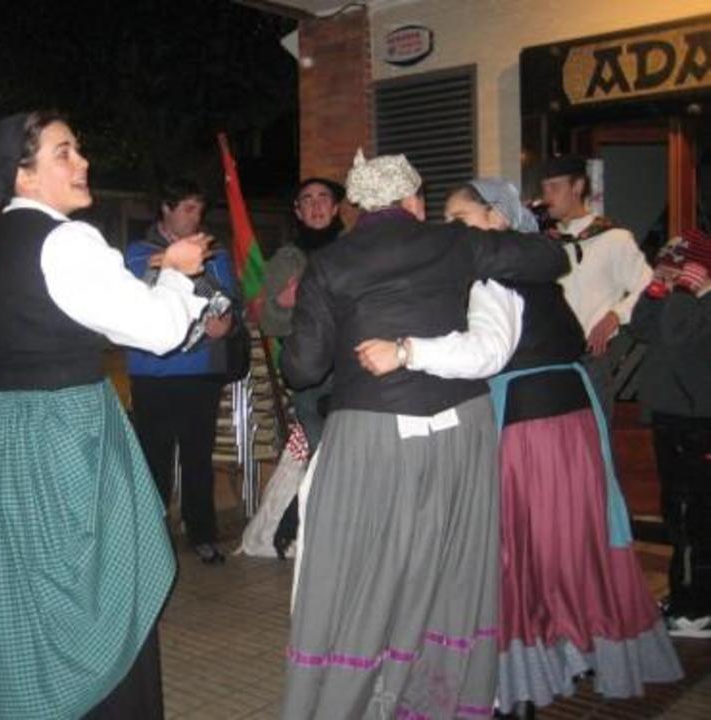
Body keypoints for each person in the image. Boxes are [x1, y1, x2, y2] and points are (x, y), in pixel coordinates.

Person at [0, 111, 210, 719]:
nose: (82, 162)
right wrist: (178, 274)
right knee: (90, 589)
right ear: (23, 174)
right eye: (64, 152)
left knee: (9, 589)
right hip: (62, 430)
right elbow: (159, 331)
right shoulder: (71, 240)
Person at [280, 151, 569, 720]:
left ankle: (351, 701)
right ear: (413, 199)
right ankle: (434, 699)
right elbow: (549, 257)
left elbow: (302, 369)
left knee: (363, 571)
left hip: (373, 433)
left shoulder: (330, 263)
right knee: (446, 567)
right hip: (460, 428)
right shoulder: (454, 242)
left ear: (357, 206)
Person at [385, 179, 679, 718]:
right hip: (566, 413)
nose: (452, 229)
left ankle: (524, 677)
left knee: (524, 545)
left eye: (461, 217)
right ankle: (579, 649)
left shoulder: (497, 275)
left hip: (529, 421)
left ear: (498, 217)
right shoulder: (532, 268)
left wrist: (407, 352)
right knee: (571, 539)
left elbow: (485, 352)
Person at [125, 178, 242, 564]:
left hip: (199, 370)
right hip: (152, 370)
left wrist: (227, 324)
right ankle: (152, 538)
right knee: (153, 458)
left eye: (199, 209)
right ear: (166, 208)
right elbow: (132, 303)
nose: (196, 216)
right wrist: (167, 264)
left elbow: (230, 304)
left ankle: (202, 533)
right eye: (188, 208)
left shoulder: (214, 253)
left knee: (198, 457)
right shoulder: (138, 254)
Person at [631, 229, 711, 639]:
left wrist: (683, 292)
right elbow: (641, 329)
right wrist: (655, 291)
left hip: (697, 423)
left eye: (677, 266)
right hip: (670, 417)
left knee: (692, 515)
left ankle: (695, 610)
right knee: (677, 512)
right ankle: (686, 595)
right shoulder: (681, 298)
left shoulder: (700, 302)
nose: (670, 271)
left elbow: (680, 334)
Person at [260, 177, 345, 558]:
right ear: (297, 211)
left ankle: (315, 529)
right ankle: (304, 531)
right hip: (311, 376)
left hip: (357, 370)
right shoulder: (286, 260)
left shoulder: (356, 249)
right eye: (306, 200)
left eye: (323, 198)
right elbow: (269, 323)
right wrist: (283, 302)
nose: (316, 205)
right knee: (324, 453)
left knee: (354, 451)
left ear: (336, 207)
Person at [540, 155, 652, 423]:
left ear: (577, 186)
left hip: (591, 360)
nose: (546, 197)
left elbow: (647, 286)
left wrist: (615, 315)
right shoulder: (544, 243)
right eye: (544, 189)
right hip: (547, 360)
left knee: (596, 437)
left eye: (554, 187)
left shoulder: (614, 239)